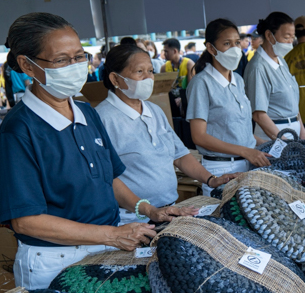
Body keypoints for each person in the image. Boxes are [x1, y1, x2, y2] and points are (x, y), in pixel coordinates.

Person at [0, 13, 191, 290]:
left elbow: (109, 179)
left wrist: (150, 210)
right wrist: (112, 234)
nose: (75, 66)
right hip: (55, 261)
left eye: (79, 56)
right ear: (28, 65)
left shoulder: (86, 112)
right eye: (62, 60)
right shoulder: (19, 130)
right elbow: (26, 221)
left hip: (105, 248)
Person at [96, 44, 235, 222]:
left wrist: (210, 179)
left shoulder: (154, 110)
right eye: (139, 72)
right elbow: (107, 178)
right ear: (115, 79)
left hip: (170, 210)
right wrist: (148, 210)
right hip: (132, 219)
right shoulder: (102, 119)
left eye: (150, 71)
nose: (148, 78)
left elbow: (180, 155)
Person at [187, 19, 272, 195]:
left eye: (236, 42)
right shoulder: (201, 83)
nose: (234, 49)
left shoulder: (238, 81)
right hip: (221, 169)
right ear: (211, 48)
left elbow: (238, 129)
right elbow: (199, 136)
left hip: (248, 163)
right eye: (227, 44)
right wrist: (245, 150)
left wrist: (268, 145)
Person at [245, 12, 305, 141]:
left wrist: (303, 133)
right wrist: (283, 141)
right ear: (269, 35)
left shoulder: (281, 61)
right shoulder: (258, 67)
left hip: (293, 131)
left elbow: (292, 105)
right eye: (286, 37)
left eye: (293, 37)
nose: (291, 41)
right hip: (274, 134)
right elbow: (259, 114)